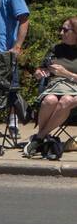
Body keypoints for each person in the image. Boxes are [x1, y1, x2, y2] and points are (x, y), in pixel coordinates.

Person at [23, 16, 77, 158]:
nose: (61, 33)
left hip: (75, 89)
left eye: (65, 30)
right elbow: (41, 68)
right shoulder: (56, 48)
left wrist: (66, 73)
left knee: (66, 100)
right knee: (50, 101)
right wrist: (39, 73)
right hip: (56, 86)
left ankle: (39, 138)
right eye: (61, 29)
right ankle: (44, 138)